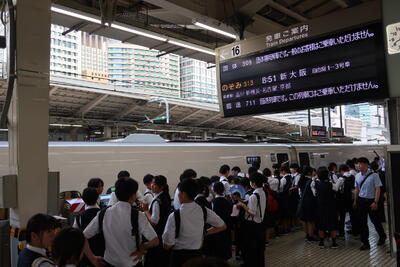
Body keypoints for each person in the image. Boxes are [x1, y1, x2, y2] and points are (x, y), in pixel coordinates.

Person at [84, 177, 159, 267]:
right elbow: (155, 241)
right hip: (132, 263)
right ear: (133, 196)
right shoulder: (138, 216)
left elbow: (82, 237)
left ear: (116, 194)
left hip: (109, 263)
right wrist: (143, 247)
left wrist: (92, 258)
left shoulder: (103, 214)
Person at [162, 178, 226, 267]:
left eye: (179, 193)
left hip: (179, 257)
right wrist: (204, 233)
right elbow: (222, 226)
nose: (178, 195)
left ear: (183, 194)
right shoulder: (204, 211)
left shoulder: (174, 216)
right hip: (197, 255)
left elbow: (167, 245)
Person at [354, 157, 386, 250]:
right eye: (358, 164)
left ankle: (382, 237)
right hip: (361, 201)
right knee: (362, 223)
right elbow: (357, 189)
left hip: (371, 201)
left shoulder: (374, 175)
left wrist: (375, 202)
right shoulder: (357, 175)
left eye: (361, 164)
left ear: (367, 165)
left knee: (375, 221)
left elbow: (378, 189)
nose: (358, 166)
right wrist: (355, 201)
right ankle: (365, 243)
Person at [236, 173, 266, 267]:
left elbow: (252, 212)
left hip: (252, 225)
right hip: (260, 223)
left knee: (252, 248)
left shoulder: (253, 196)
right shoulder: (262, 192)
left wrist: (243, 205)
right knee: (259, 249)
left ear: (253, 183)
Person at [142, 175, 172, 267]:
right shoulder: (165, 197)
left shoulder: (157, 201)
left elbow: (154, 221)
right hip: (164, 232)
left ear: (161, 186)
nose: (152, 185)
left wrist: (146, 210)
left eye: (154, 184)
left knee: (154, 260)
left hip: (157, 234)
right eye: (152, 183)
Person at [73, 187, 102, 267]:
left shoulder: (79, 217)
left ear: (83, 199)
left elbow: (75, 237)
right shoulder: (104, 215)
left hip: (85, 258)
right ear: (97, 198)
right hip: (102, 255)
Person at [315, 166, 339, 249]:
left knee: (321, 224)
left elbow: (314, 193)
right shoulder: (330, 184)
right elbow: (336, 189)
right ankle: (334, 243)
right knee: (332, 224)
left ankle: (321, 242)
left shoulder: (315, 183)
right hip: (331, 207)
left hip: (320, 207)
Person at [208, 182, 233, 261]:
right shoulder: (228, 201)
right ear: (223, 190)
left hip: (217, 228)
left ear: (214, 190)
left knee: (218, 248)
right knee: (226, 245)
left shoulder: (213, 202)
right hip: (227, 227)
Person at [337, 164, 359, 237]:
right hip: (352, 199)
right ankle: (355, 231)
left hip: (343, 201)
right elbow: (356, 188)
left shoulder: (341, 178)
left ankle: (341, 233)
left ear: (341, 171)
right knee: (353, 216)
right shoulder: (353, 177)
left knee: (342, 217)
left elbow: (336, 188)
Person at [297, 169, 317, 243]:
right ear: (309, 172)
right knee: (310, 221)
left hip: (302, 202)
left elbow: (299, 192)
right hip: (310, 202)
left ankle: (307, 235)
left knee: (304, 220)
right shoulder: (311, 181)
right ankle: (311, 237)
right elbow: (314, 193)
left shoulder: (301, 180)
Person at [278, 166, 292, 234]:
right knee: (288, 214)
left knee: (284, 215)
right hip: (289, 197)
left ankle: (285, 229)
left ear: (283, 171)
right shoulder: (291, 177)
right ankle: (289, 228)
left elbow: (280, 189)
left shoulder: (283, 179)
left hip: (283, 198)